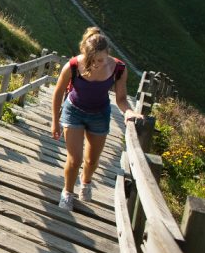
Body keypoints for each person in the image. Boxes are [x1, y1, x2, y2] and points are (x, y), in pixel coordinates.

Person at [51, 27, 144, 210]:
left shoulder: (119, 69)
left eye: (101, 60)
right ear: (85, 54)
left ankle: (86, 182)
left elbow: (122, 99)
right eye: (92, 60)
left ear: (108, 54)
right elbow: (58, 92)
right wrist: (55, 121)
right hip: (74, 111)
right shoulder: (72, 66)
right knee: (74, 159)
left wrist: (129, 112)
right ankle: (67, 193)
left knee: (92, 160)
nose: (97, 64)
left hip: (100, 115)